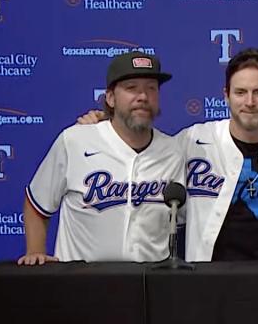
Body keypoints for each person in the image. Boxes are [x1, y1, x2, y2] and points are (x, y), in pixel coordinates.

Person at [77, 48, 258, 262]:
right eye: (240, 92)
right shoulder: (194, 140)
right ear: (226, 95)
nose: (249, 102)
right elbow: (142, 152)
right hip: (211, 282)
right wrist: (106, 127)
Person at [18, 52, 185, 265]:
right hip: (81, 283)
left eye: (151, 88)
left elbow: (179, 221)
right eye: (131, 88)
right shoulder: (75, 141)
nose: (143, 96)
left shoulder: (172, 151)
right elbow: (37, 203)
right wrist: (35, 252)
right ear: (110, 98)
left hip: (148, 284)